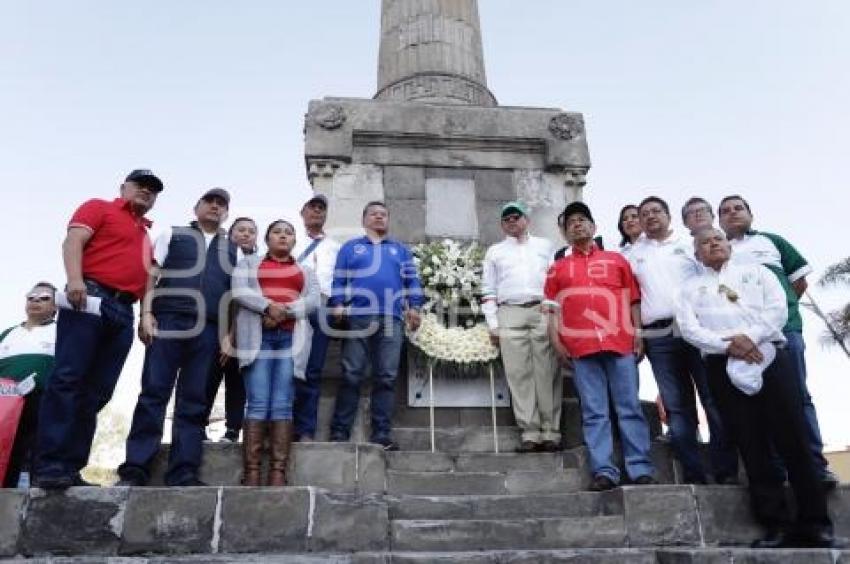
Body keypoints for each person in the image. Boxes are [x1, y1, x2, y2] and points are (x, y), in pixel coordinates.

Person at [677, 227, 841, 549]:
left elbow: (777, 309)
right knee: (752, 445)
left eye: (718, 239)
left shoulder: (759, 273)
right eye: (705, 243)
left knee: (792, 439)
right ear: (696, 254)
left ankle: (816, 524)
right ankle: (775, 525)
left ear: (728, 245)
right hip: (721, 365)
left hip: (769, 357)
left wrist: (749, 338)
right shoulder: (689, 288)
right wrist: (728, 346)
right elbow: (689, 328)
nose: (713, 244)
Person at [33, 169, 161, 490]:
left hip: (124, 310)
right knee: (68, 378)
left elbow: (148, 278)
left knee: (98, 391)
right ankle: (49, 464)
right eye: (140, 185)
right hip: (90, 297)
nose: (146, 191)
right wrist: (75, 279)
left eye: (152, 190)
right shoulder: (99, 207)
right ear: (123, 188)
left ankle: (71, 466)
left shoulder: (145, 234)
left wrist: (146, 315)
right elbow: (74, 239)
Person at [117, 188, 236, 487]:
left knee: (195, 400)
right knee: (154, 392)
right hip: (169, 319)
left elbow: (234, 296)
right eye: (209, 201)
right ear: (196, 207)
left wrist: (228, 335)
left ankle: (183, 471)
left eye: (221, 204)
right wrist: (145, 314)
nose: (215, 207)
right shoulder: (174, 233)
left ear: (226, 213)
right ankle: (136, 468)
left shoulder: (233, 248)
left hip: (209, 328)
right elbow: (151, 274)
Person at [718, 194, 837, 488]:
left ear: (750, 213)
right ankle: (778, 471)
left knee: (797, 398)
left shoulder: (771, 242)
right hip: (745, 341)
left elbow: (798, 281)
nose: (733, 214)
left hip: (784, 333)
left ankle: (815, 465)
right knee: (759, 403)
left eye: (738, 208)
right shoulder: (719, 250)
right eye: (725, 211)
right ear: (718, 220)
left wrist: (781, 311)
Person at [544, 202, 655, 490]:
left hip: (620, 343)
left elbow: (633, 299)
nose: (577, 225)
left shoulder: (617, 260)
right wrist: (557, 343)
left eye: (582, 220)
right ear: (565, 234)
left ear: (594, 227)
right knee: (594, 412)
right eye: (571, 223)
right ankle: (604, 471)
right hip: (581, 348)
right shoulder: (557, 269)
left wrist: (638, 333)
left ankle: (640, 467)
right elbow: (551, 311)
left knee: (629, 406)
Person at [628, 196, 738, 484]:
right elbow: (631, 298)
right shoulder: (632, 254)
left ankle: (724, 469)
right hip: (659, 336)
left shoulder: (690, 247)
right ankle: (693, 472)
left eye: (656, 211)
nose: (650, 216)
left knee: (713, 398)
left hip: (699, 331)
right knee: (677, 406)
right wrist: (637, 333)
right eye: (644, 213)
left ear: (668, 216)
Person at [327, 201, 424, 451]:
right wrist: (337, 303)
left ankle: (381, 434)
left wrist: (414, 305)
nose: (379, 218)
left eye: (383, 215)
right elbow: (338, 278)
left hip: (392, 318)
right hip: (358, 316)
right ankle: (339, 432)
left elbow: (412, 280)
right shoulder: (351, 248)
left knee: (387, 377)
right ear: (364, 219)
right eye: (374, 214)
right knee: (351, 374)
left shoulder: (400, 250)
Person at [232, 220, 319, 486]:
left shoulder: (304, 270)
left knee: (282, 402)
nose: (283, 236)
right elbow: (239, 291)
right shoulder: (248, 264)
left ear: (294, 241)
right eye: (277, 232)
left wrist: (285, 312)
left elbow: (314, 300)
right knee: (257, 401)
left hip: (291, 339)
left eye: (288, 233)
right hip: (259, 338)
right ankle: (252, 471)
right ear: (267, 239)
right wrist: (269, 307)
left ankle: (278, 472)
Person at [482, 201, 561, 453]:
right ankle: (530, 431)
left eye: (516, 217)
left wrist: (551, 308)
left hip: (541, 308)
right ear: (502, 225)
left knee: (547, 370)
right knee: (518, 373)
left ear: (526, 219)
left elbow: (554, 278)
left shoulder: (545, 246)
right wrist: (493, 323)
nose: (512, 221)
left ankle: (551, 430)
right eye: (507, 219)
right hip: (510, 311)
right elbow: (488, 289)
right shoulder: (495, 251)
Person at [204, 217, 258, 442]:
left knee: (237, 380)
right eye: (241, 230)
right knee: (207, 376)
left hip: (243, 327)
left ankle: (233, 429)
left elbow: (244, 300)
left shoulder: (257, 263)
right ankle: (199, 425)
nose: (246, 234)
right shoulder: (218, 257)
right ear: (230, 233)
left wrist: (232, 336)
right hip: (214, 323)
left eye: (251, 231)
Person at [293, 194, 340, 442]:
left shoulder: (335, 247)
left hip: (323, 307)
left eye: (322, 208)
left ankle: (305, 430)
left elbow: (342, 280)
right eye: (312, 207)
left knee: (313, 371)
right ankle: (282, 427)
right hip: (294, 307)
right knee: (289, 368)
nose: (317, 212)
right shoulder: (291, 239)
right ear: (302, 213)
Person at [0, 283, 57, 487]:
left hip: (42, 402)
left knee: (36, 451)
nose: (35, 301)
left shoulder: (62, 332)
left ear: (55, 306)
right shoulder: (7, 333)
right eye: (31, 297)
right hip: (5, 407)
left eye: (44, 297)